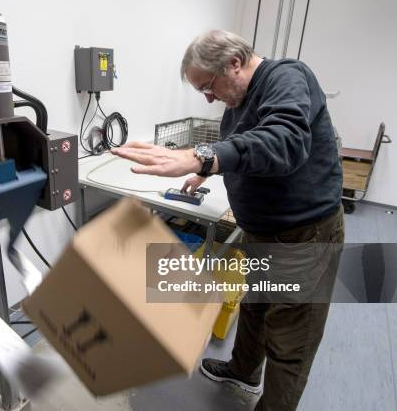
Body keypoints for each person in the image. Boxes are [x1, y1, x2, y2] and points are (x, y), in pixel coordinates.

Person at [111, 30, 344, 411]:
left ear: (234, 63)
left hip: (304, 233)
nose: (207, 97)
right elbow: (244, 146)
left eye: (208, 86)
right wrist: (207, 173)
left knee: (291, 339)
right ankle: (243, 371)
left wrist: (201, 157)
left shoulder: (287, 77)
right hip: (262, 229)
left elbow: (282, 141)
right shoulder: (238, 97)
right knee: (254, 306)